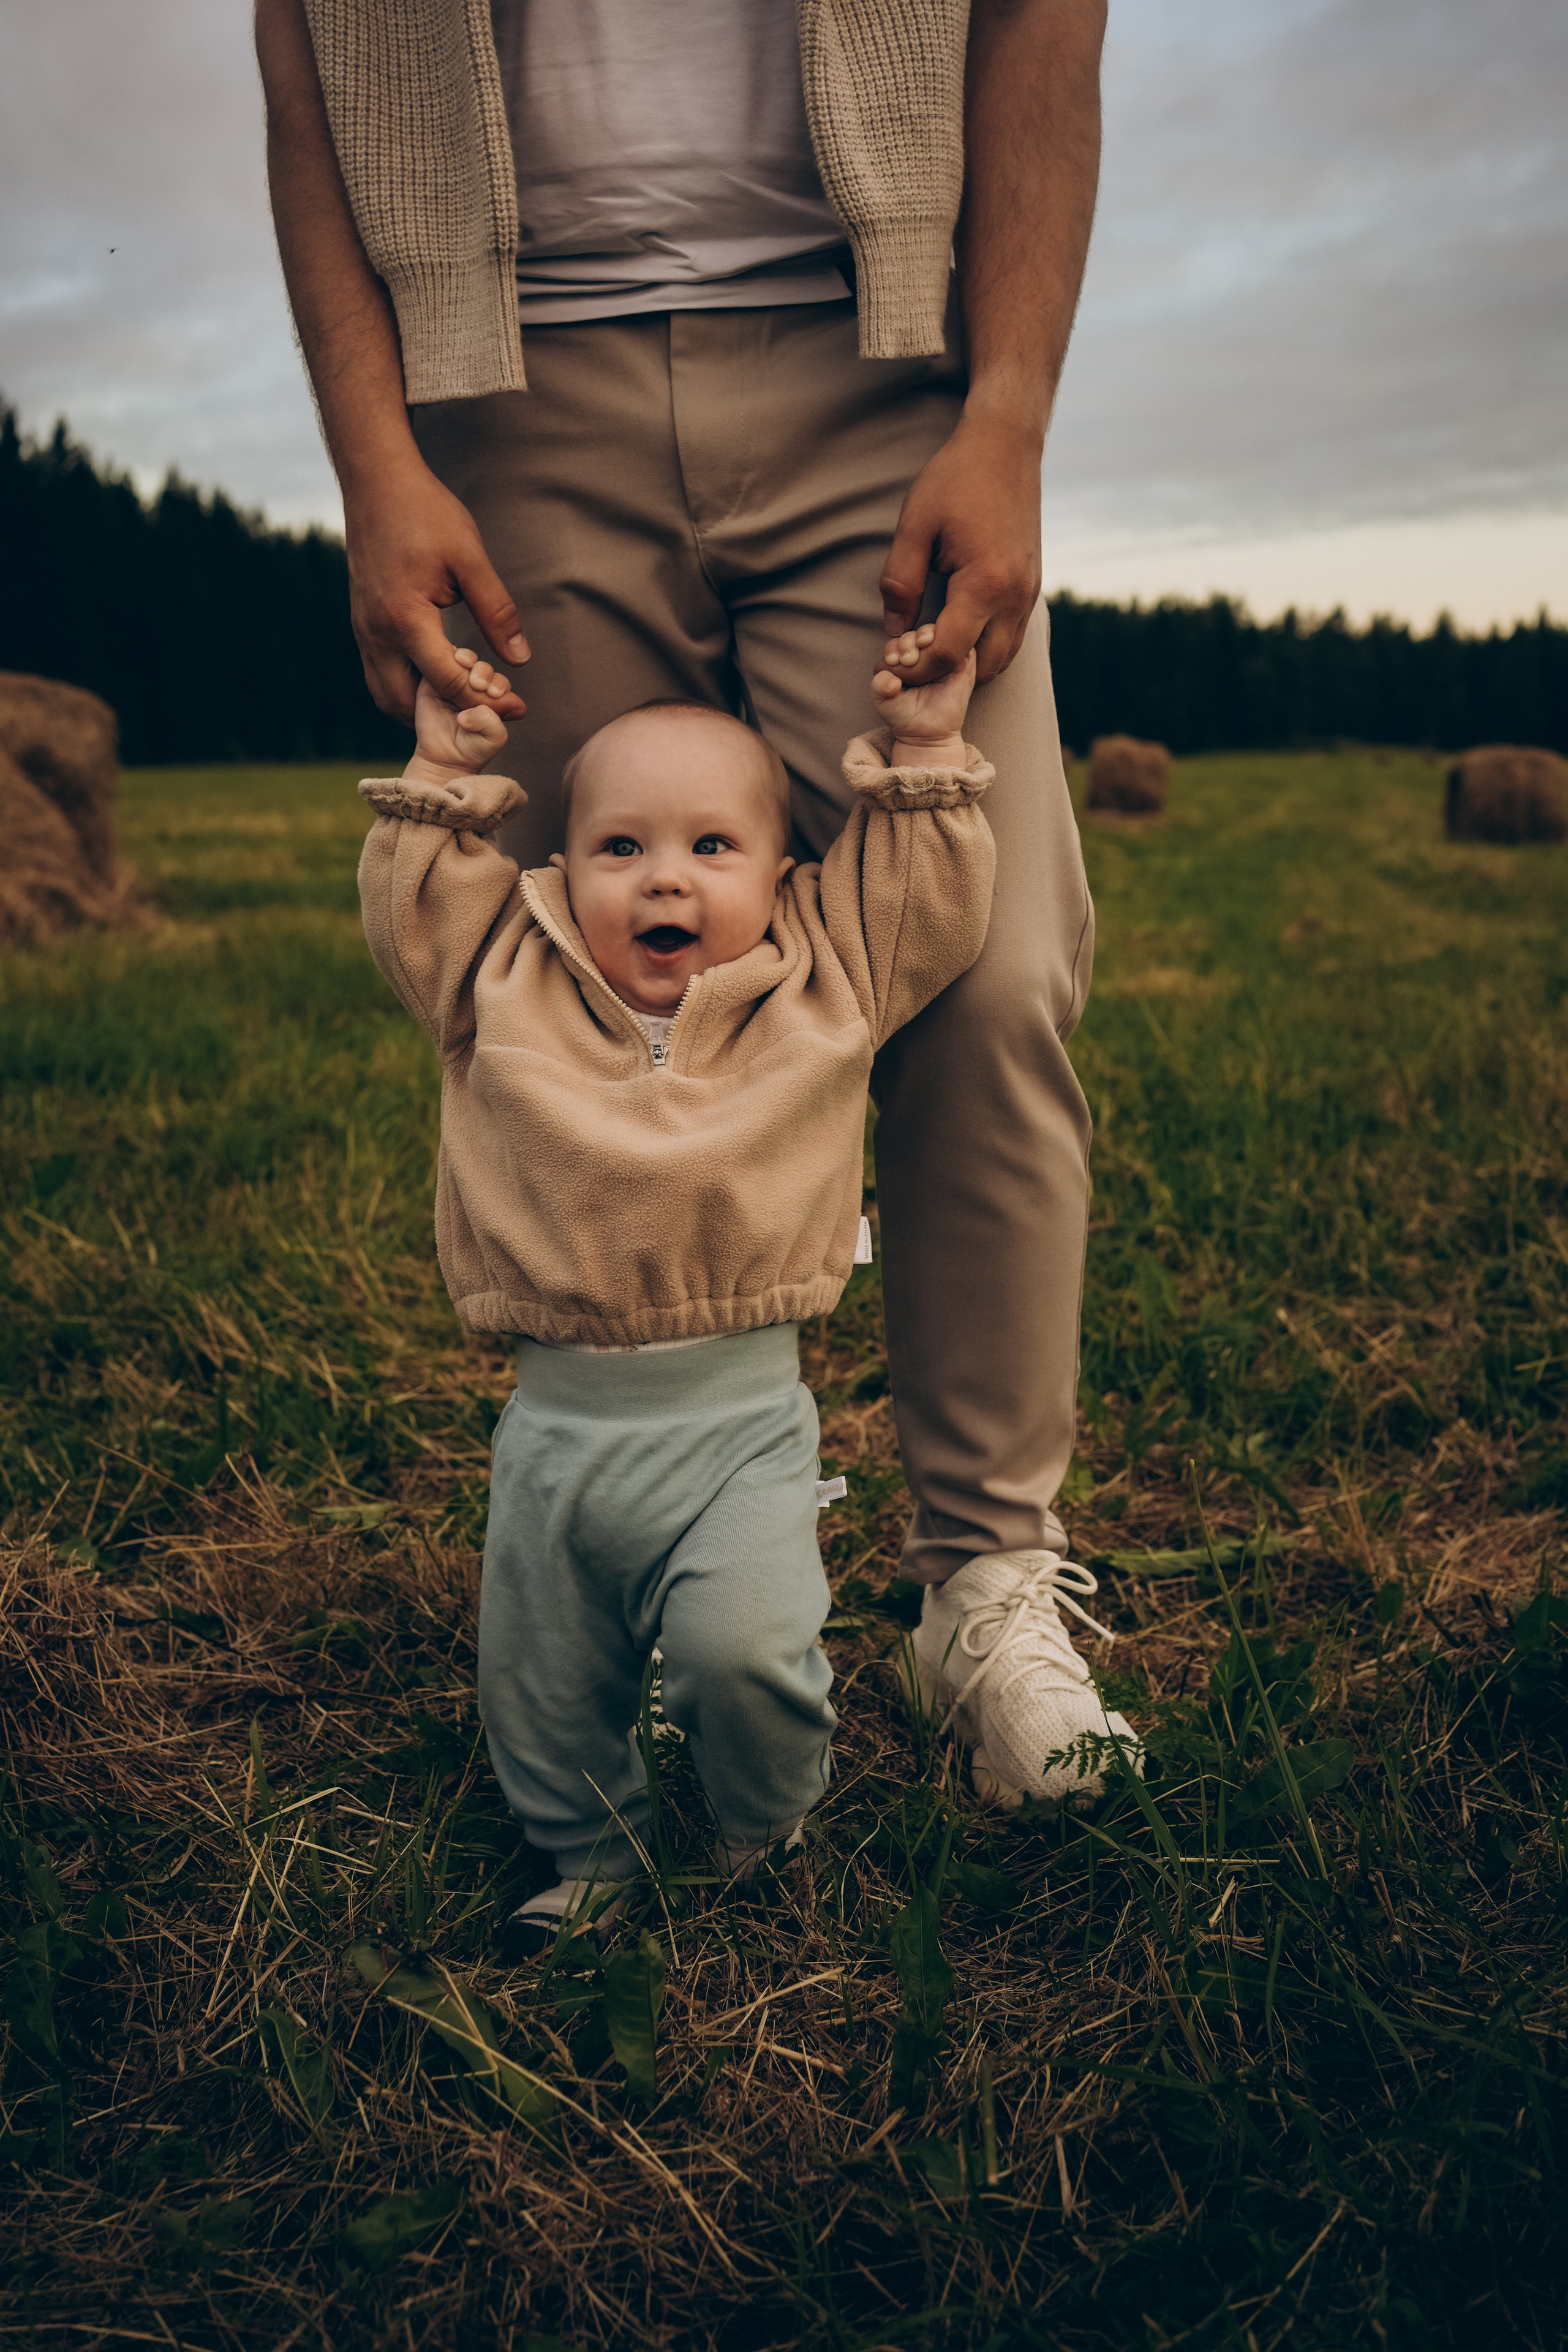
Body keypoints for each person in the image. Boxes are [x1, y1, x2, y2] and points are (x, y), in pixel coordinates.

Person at [259, 0, 1133, 1814]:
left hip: (882, 350)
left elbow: (1047, 20)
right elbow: (304, 63)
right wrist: (373, 458)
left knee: (987, 966)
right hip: (503, 382)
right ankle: (652, 1582)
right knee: (579, 991)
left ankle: (982, 1579)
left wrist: (1011, 414)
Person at [360, 622, 1044, 1953]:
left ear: (784, 875)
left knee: (746, 1658)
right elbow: (413, 911)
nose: (661, 878)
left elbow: (927, 894)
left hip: (737, 1427)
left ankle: (757, 1827)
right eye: (619, 848)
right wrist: (442, 773)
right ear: (564, 870)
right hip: (557, 1433)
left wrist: (921, 753)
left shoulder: (822, 976)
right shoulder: (503, 971)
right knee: (545, 1685)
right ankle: (589, 1852)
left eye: (709, 848)